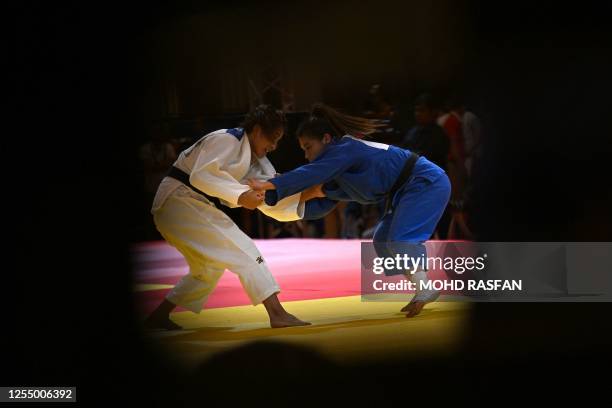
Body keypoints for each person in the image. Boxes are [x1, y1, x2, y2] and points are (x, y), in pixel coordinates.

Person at [249, 104, 451, 317]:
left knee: (401, 238)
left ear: (326, 139)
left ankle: (425, 287)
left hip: (426, 181)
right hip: (407, 190)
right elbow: (318, 202)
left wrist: (269, 185)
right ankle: (422, 287)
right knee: (382, 239)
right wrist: (281, 204)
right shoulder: (337, 168)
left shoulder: (344, 148)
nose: (307, 156)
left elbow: (309, 173)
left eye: (308, 147)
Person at [144, 105, 312, 330]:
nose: (273, 146)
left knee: (208, 267)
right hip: (178, 200)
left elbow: (271, 188)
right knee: (244, 249)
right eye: (272, 139)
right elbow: (202, 175)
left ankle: (159, 315)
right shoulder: (227, 140)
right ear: (258, 131)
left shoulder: (253, 158)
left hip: (181, 206)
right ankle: (277, 313)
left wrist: (308, 194)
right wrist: (241, 195)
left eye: (278, 141)